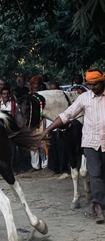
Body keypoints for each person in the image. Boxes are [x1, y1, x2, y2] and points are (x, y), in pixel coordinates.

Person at [42, 69, 105, 224]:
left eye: (95, 84)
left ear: (102, 82)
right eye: (89, 84)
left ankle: (94, 202)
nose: (92, 87)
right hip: (90, 143)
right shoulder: (84, 98)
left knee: (102, 175)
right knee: (95, 174)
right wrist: (48, 130)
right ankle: (99, 208)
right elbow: (66, 115)